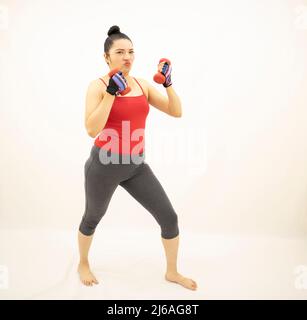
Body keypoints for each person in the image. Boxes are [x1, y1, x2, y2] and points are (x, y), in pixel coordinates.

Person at [77, 25, 197, 291]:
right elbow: (91, 129)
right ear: (106, 57)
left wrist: (168, 84)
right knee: (92, 218)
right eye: (120, 52)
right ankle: (83, 263)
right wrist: (110, 93)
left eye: (131, 51)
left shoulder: (142, 85)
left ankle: (173, 272)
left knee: (169, 218)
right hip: (103, 167)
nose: (127, 57)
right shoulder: (96, 86)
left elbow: (175, 112)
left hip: (135, 166)